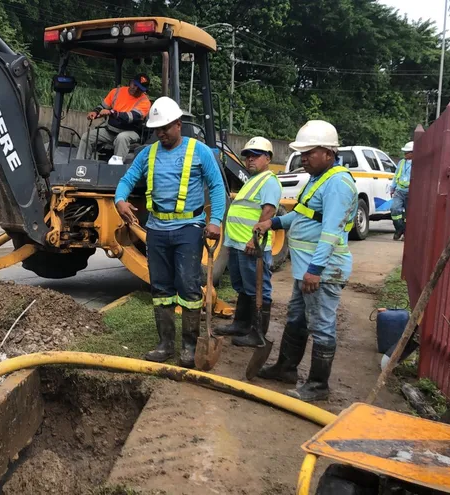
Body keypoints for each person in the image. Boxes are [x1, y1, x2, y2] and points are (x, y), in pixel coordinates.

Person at [115, 96, 227, 368]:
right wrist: (120, 200)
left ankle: (189, 346)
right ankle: (165, 344)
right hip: (156, 229)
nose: (161, 133)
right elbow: (127, 180)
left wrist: (215, 222)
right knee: (161, 288)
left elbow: (217, 186)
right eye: (157, 129)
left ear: (178, 124)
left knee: (188, 286)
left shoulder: (199, 151)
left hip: (189, 228)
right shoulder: (148, 153)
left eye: (165, 127)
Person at [252, 120, 357, 402]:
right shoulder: (318, 179)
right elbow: (302, 215)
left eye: (309, 152)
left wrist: (314, 271)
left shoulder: (338, 184)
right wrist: (273, 222)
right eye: (303, 153)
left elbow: (332, 232)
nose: (304, 158)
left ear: (328, 152)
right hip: (306, 269)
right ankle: (286, 368)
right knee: (297, 318)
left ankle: (318, 385)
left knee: (321, 325)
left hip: (321, 270)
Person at [214, 137, 282, 347]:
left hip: (252, 245)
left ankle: (257, 333)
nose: (250, 159)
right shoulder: (252, 180)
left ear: (268, 158)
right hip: (237, 243)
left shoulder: (269, 180)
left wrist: (256, 240)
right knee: (242, 286)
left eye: (256, 155)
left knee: (258, 288)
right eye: (248, 156)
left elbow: (268, 211)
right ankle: (241, 324)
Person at [76, 74, 152, 161]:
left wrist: (112, 112)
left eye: (140, 88)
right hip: (110, 130)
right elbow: (103, 106)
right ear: (130, 82)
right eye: (135, 85)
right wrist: (95, 112)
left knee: (121, 138)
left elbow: (130, 117)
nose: (136, 89)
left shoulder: (145, 101)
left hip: (130, 132)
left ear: (144, 90)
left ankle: (116, 168)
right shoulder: (117, 92)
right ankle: (80, 167)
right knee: (87, 137)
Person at [390, 141, 413, 241]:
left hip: (411, 192)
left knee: (409, 214)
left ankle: (406, 233)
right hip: (399, 191)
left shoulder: (418, 163)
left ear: (413, 153)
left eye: (407, 152)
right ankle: (400, 229)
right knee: (394, 210)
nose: (405, 154)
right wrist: (392, 187)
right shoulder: (401, 162)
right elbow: (396, 176)